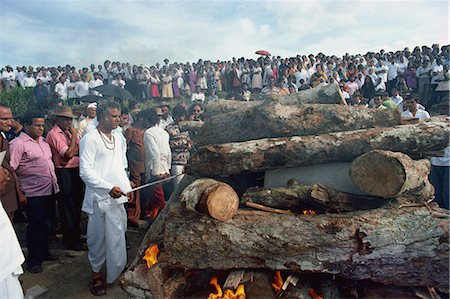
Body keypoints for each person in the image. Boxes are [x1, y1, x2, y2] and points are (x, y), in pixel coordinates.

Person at [79, 101, 132, 296]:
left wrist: (126, 186)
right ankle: (96, 275)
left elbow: (120, 164)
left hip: (118, 197)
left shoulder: (118, 137)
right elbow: (85, 171)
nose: (118, 119)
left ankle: (115, 271)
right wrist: (108, 188)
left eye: (119, 116)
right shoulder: (90, 139)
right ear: (102, 116)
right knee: (97, 239)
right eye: (113, 116)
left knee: (118, 235)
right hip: (98, 198)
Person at [9, 111, 60, 274]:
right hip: (32, 193)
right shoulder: (18, 144)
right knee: (35, 226)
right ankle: (34, 260)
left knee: (47, 224)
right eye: (36, 125)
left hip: (49, 190)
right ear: (26, 126)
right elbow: (12, 170)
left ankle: (44, 252)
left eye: (42, 125)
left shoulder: (44, 142)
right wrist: (20, 194)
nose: (40, 128)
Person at [46, 106, 86, 252]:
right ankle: (71, 240)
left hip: (74, 170)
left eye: (70, 120)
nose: (69, 123)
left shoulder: (68, 133)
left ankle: (76, 235)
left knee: (75, 205)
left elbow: (81, 150)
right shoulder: (54, 134)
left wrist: (72, 151)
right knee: (67, 206)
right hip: (64, 172)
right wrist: (74, 137)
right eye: (66, 120)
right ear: (58, 120)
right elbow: (68, 154)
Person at [141, 108, 171, 222]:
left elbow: (155, 153)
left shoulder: (148, 133)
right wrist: (167, 170)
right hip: (163, 167)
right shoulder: (164, 132)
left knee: (158, 199)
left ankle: (162, 221)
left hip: (155, 169)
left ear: (146, 120)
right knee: (155, 198)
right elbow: (168, 152)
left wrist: (155, 173)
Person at [0, 104, 22, 221]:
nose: (9, 122)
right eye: (4, 119)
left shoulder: (3, 139)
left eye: (10, 119)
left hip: (9, 195)